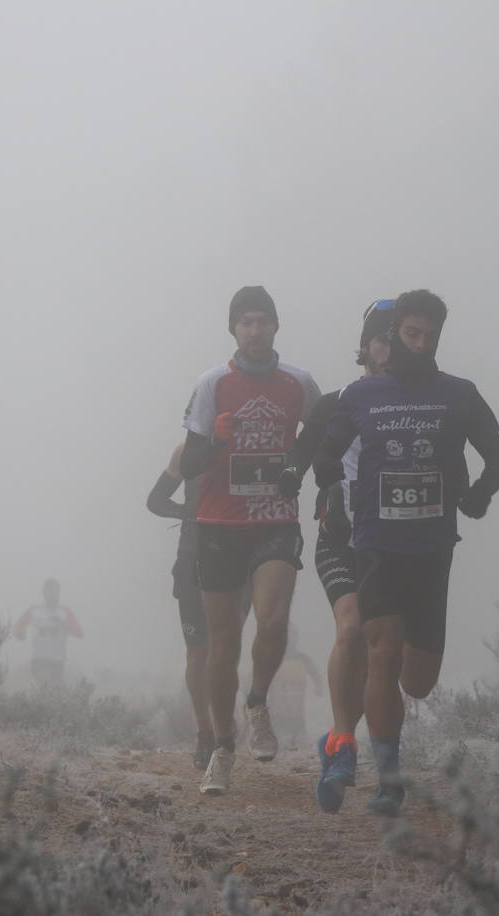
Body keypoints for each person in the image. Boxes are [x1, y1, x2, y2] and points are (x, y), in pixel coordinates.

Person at [314, 289, 499, 816]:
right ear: (396, 332)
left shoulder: (459, 394)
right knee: (379, 650)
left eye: (430, 337)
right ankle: (388, 779)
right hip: (376, 545)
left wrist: (476, 497)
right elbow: (326, 452)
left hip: (432, 549)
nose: (421, 345)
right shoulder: (360, 396)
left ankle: (385, 720)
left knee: (417, 681)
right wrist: (331, 488)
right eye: (411, 334)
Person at [179, 285, 321, 796]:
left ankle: (257, 700)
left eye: (263, 321)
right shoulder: (213, 383)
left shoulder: (299, 383)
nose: (255, 331)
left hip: (275, 520)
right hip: (219, 524)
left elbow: (320, 437)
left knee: (274, 618)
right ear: (234, 330)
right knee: (223, 645)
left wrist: (295, 467)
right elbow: (188, 463)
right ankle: (222, 748)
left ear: (276, 326)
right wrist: (216, 440)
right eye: (246, 322)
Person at [277, 298, 393, 812]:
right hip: (339, 537)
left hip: (396, 546)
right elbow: (304, 453)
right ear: (365, 345)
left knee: (379, 651)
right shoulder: (337, 401)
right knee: (350, 629)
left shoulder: (422, 407)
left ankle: (337, 739)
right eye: (380, 337)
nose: (389, 348)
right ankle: (344, 744)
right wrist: (288, 476)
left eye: (398, 337)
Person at [147, 442, 218, 770]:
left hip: (235, 559)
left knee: (223, 648)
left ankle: (223, 731)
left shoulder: (251, 443)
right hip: (191, 560)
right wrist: (187, 511)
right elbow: (155, 500)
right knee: (198, 652)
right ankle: (206, 733)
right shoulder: (186, 450)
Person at [12, 578, 83, 684]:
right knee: (41, 689)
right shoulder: (34, 610)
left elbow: (79, 633)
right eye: (49, 591)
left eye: (54, 591)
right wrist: (20, 633)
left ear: (58, 593)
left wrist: (62, 624)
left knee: (54, 692)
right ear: (44, 593)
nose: (51, 595)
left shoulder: (65, 612)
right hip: (39, 658)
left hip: (58, 660)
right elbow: (18, 626)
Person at [267, 623, 324, 750]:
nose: (290, 639)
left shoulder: (302, 659)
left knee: (298, 738)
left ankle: (296, 742)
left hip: (297, 710)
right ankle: (280, 743)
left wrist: (318, 686)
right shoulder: (272, 658)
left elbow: (315, 673)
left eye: (293, 635)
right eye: (286, 635)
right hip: (277, 710)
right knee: (279, 737)